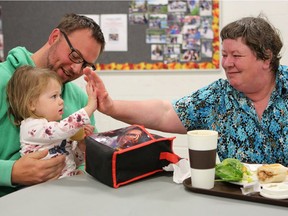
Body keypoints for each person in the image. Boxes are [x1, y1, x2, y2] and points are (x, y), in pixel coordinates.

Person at [86, 15, 288, 166]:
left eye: (236, 55)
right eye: (224, 55)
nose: (227, 63)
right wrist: (110, 106)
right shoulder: (218, 97)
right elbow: (164, 113)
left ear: (266, 58)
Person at [0, 13, 105, 196]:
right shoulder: (2, 80)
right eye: (74, 55)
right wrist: (11, 172)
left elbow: (85, 159)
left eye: (86, 65)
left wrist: (84, 154)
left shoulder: (79, 97)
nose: (76, 69)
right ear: (55, 37)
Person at [6, 65, 97, 178]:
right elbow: (63, 129)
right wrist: (90, 106)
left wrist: (80, 147)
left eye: (60, 95)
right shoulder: (31, 128)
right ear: (31, 104)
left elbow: (70, 161)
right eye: (54, 96)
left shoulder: (54, 129)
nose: (61, 101)